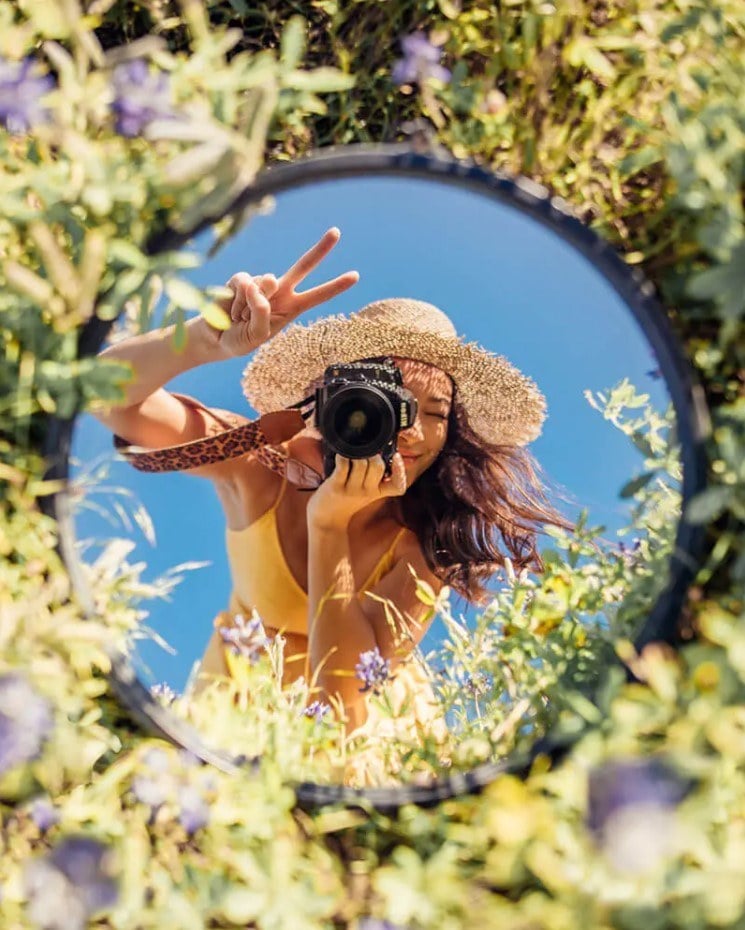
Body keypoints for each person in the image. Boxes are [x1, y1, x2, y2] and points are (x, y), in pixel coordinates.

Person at [94, 227, 569, 741]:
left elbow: (340, 706)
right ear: (330, 401)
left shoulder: (428, 536)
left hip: (369, 735)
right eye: (385, 405)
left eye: (434, 413)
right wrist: (205, 337)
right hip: (234, 711)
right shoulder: (261, 462)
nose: (408, 429)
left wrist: (329, 524)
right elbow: (103, 395)